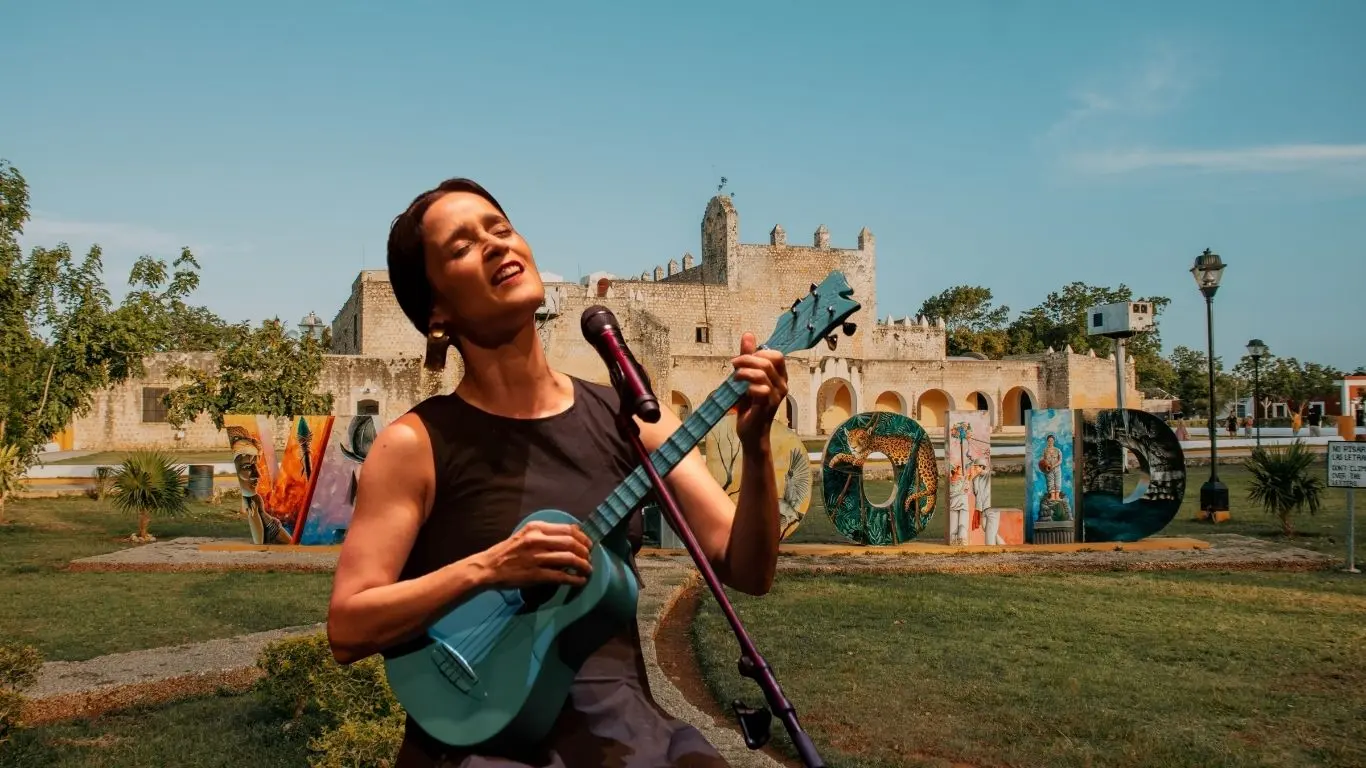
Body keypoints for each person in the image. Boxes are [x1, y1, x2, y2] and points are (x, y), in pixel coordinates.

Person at [326, 178, 787, 767]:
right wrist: (490, 567)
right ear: (436, 311)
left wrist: (755, 447)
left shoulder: (634, 418)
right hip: (480, 746)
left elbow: (748, 569)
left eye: (500, 228)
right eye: (462, 247)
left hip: (627, 740)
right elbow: (347, 627)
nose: (496, 246)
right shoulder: (413, 445)